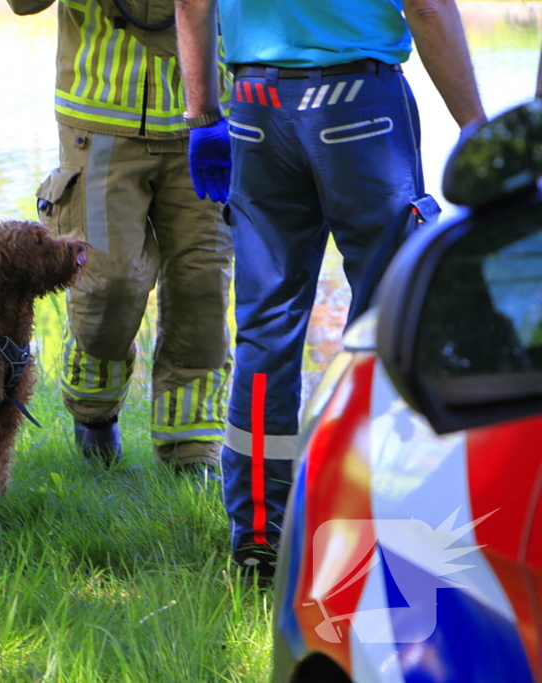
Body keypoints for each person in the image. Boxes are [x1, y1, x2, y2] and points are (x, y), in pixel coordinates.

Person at [175, 0, 485, 575]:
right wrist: (475, 127)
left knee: (266, 329)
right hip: (361, 110)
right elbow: (425, 5)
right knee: (385, 324)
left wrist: (202, 117)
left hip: (254, 108)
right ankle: (366, 518)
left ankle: (259, 535)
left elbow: (191, 3)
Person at [7, 0, 234, 473]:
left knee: (202, 289)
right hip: (99, 116)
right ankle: (94, 411)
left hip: (208, 124)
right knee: (108, 283)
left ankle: (192, 451)